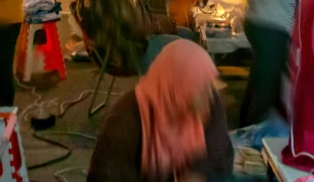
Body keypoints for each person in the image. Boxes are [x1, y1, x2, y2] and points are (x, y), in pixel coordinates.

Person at [89, 39, 232, 182]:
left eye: (208, 85)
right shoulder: (124, 121)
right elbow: (103, 176)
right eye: (200, 89)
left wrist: (197, 172)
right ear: (175, 89)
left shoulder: (207, 99)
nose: (209, 97)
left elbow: (221, 154)